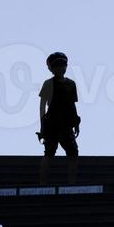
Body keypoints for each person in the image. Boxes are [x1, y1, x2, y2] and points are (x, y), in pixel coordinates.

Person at [37, 51, 80, 185]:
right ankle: (42, 182)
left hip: (66, 123)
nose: (62, 68)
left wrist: (76, 122)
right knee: (49, 153)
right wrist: (43, 126)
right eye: (58, 66)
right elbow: (42, 106)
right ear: (52, 68)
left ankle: (72, 182)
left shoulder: (71, 84)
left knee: (73, 152)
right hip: (52, 123)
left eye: (63, 65)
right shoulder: (48, 84)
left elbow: (72, 104)